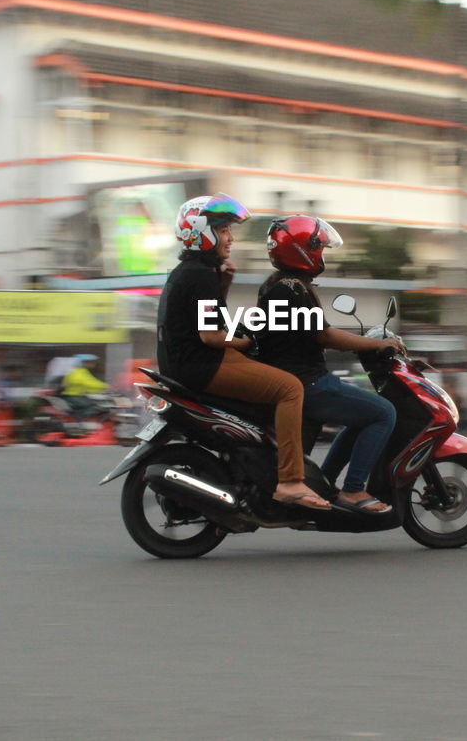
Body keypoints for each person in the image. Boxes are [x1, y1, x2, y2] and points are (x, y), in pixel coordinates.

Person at [156, 193, 331, 512]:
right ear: (201, 232)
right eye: (224, 230)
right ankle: (291, 481)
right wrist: (246, 342)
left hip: (189, 363)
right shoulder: (199, 275)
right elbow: (210, 336)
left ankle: (257, 464)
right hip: (203, 364)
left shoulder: (193, 272)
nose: (230, 238)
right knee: (290, 388)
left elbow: (206, 320)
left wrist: (224, 285)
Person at [256, 215, 405, 515]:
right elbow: (324, 335)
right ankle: (352, 491)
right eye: (318, 249)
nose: (322, 255)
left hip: (294, 378)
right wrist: (377, 344)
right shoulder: (292, 289)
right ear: (302, 251)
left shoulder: (277, 285)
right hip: (306, 381)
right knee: (384, 412)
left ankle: (324, 482)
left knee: (363, 415)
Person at [61, 353, 108, 420]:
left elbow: (91, 382)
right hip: (73, 396)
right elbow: (87, 382)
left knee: (96, 405)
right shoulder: (77, 372)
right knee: (92, 406)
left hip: (78, 395)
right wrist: (106, 386)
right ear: (82, 363)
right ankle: (79, 421)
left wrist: (101, 389)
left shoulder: (81, 371)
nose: (94, 364)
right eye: (90, 362)